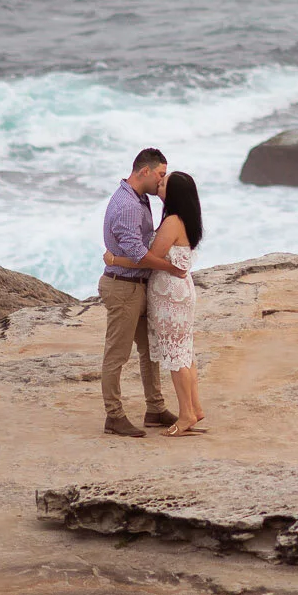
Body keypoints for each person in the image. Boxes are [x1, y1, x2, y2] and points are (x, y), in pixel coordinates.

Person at [105, 168, 205, 436]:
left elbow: (149, 257)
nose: (159, 183)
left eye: (165, 182)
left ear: (174, 194)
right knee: (184, 351)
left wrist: (114, 260)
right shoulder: (185, 219)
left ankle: (186, 416)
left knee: (175, 355)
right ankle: (194, 408)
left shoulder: (172, 221)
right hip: (179, 290)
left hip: (170, 293)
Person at [98, 146, 185, 438]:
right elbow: (138, 254)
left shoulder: (139, 198)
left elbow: (146, 240)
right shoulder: (127, 206)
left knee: (149, 351)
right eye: (160, 175)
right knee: (117, 354)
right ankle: (114, 416)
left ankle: (155, 409)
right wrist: (169, 268)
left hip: (138, 286)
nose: (162, 181)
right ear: (144, 171)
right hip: (123, 288)